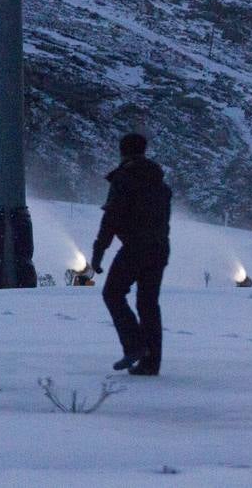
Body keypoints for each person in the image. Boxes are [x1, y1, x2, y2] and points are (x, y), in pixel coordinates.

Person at [91, 132, 172, 376]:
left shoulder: (124, 179)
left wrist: (98, 252)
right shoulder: (160, 183)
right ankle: (151, 363)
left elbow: (111, 219)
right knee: (148, 303)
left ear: (122, 151)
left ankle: (135, 346)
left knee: (113, 294)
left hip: (136, 247)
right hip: (160, 247)